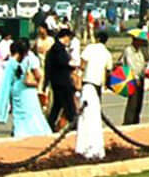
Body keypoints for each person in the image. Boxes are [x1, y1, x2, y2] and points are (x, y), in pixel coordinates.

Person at [76, 26, 112, 158]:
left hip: (87, 84)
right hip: (97, 86)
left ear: (97, 39)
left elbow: (82, 64)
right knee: (94, 116)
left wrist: (78, 79)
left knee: (85, 116)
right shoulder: (107, 54)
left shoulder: (90, 48)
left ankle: (84, 146)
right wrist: (108, 85)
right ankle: (93, 144)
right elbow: (108, 72)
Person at [6, 40, 51, 137]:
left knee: (19, 113)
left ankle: (18, 131)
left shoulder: (13, 59)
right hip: (27, 90)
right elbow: (39, 76)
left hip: (16, 88)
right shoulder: (31, 59)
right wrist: (38, 86)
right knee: (32, 112)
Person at [44, 27, 78, 131]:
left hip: (57, 81)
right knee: (69, 104)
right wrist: (71, 66)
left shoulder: (57, 48)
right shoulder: (58, 48)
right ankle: (74, 124)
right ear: (65, 37)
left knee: (57, 106)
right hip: (61, 81)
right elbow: (61, 62)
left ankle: (50, 124)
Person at [121, 31, 149, 125]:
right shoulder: (129, 50)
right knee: (133, 101)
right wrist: (136, 77)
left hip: (140, 77)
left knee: (139, 102)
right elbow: (130, 64)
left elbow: (142, 63)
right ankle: (129, 121)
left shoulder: (139, 52)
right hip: (132, 78)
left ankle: (135, 120)